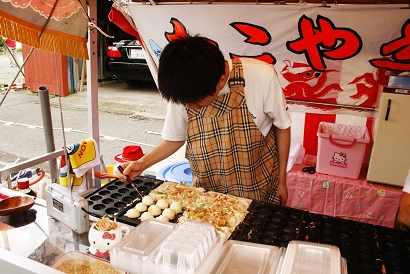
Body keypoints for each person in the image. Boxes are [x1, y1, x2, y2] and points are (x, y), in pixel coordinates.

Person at [116, 34, 291, 205]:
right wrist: (142, 164)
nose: (190, 108)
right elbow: (173, 139)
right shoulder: (183, 88)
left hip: (258, 186)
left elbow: (282, 126)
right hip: (208, 194)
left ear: (221, 80)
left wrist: (282, 181)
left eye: (197, 105)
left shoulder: (262, 76)